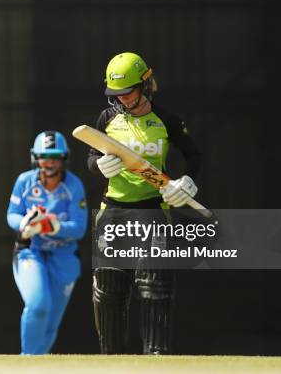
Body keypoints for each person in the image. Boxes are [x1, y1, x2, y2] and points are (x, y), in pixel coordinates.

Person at [88, 52, 202, 354]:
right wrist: (99, 165)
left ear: (146, 83)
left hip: (152, 210)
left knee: (154, 289)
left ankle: (156, 360)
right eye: (117, 95)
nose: (123, 100)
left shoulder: (167, 121)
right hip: (112, 211)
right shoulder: (107, 119)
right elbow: (90, 157)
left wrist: (186, 182)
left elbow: (194, 156)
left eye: (129, 92)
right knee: (109, 291)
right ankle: (110, 362)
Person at [6, 131, 88, 355]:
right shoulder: (24, 181)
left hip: (64, 257)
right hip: (30, 252)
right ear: (35, 157)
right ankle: (28, 362)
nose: (49, 162)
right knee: (38, 305)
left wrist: (50, 226)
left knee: (51, 322)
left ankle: (38, 363)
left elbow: (79, 228)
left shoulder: (73, 185)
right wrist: (25, 222)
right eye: (44, 156)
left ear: (64, 158)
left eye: (55, 156)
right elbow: (11, 215)